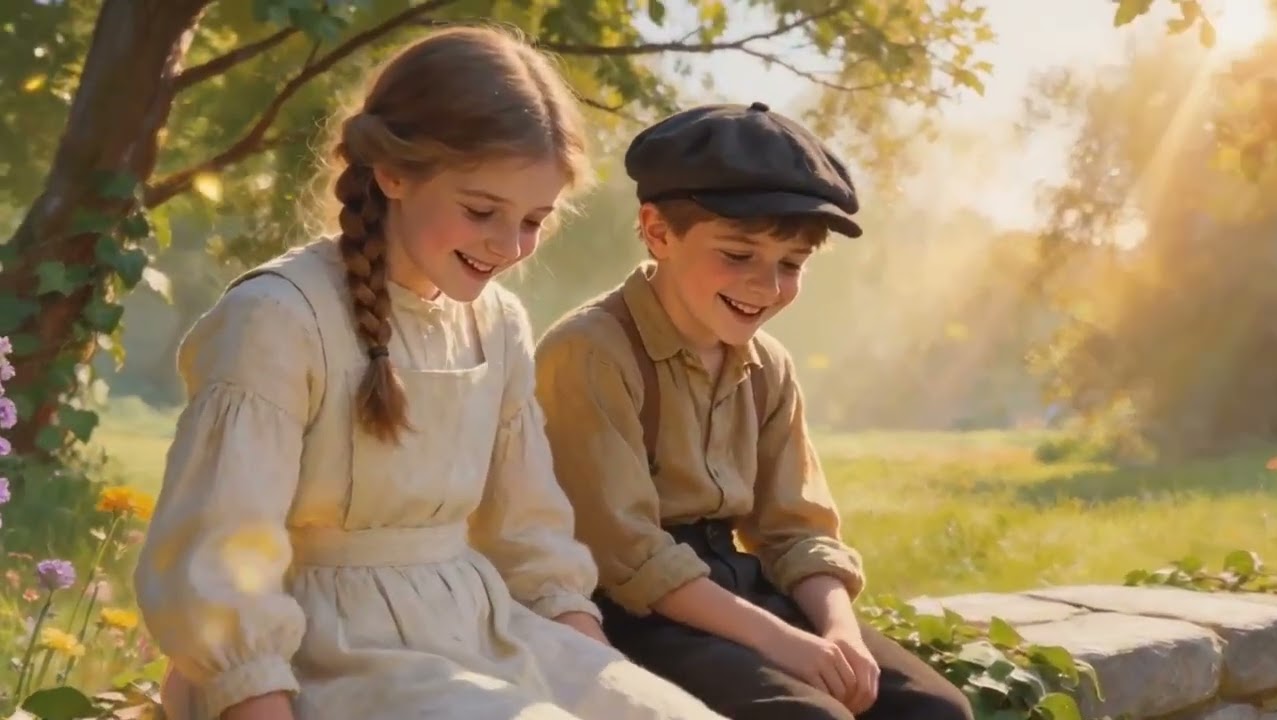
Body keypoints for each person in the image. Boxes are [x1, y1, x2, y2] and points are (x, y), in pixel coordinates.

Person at [133, 26, 728, 720]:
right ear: (393, 173)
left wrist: (596, 677)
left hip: (479, 631)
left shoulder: (498, 323)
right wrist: (251, 698)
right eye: (481, 211)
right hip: (322, 657)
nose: (508, 246)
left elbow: (529, 538)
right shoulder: (278, 318)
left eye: (534, 220)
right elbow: (217, 560)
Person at [534, 101, 975, 720]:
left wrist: (837, 632)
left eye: (790, 265)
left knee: (934, 711)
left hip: (740, 587)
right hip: (634, 612)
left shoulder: (767, 366)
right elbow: (628, 555)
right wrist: (782, 644)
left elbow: (797, 529)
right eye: (738, 256)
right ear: (659, 231)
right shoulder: (591, 352)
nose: (766, 288)